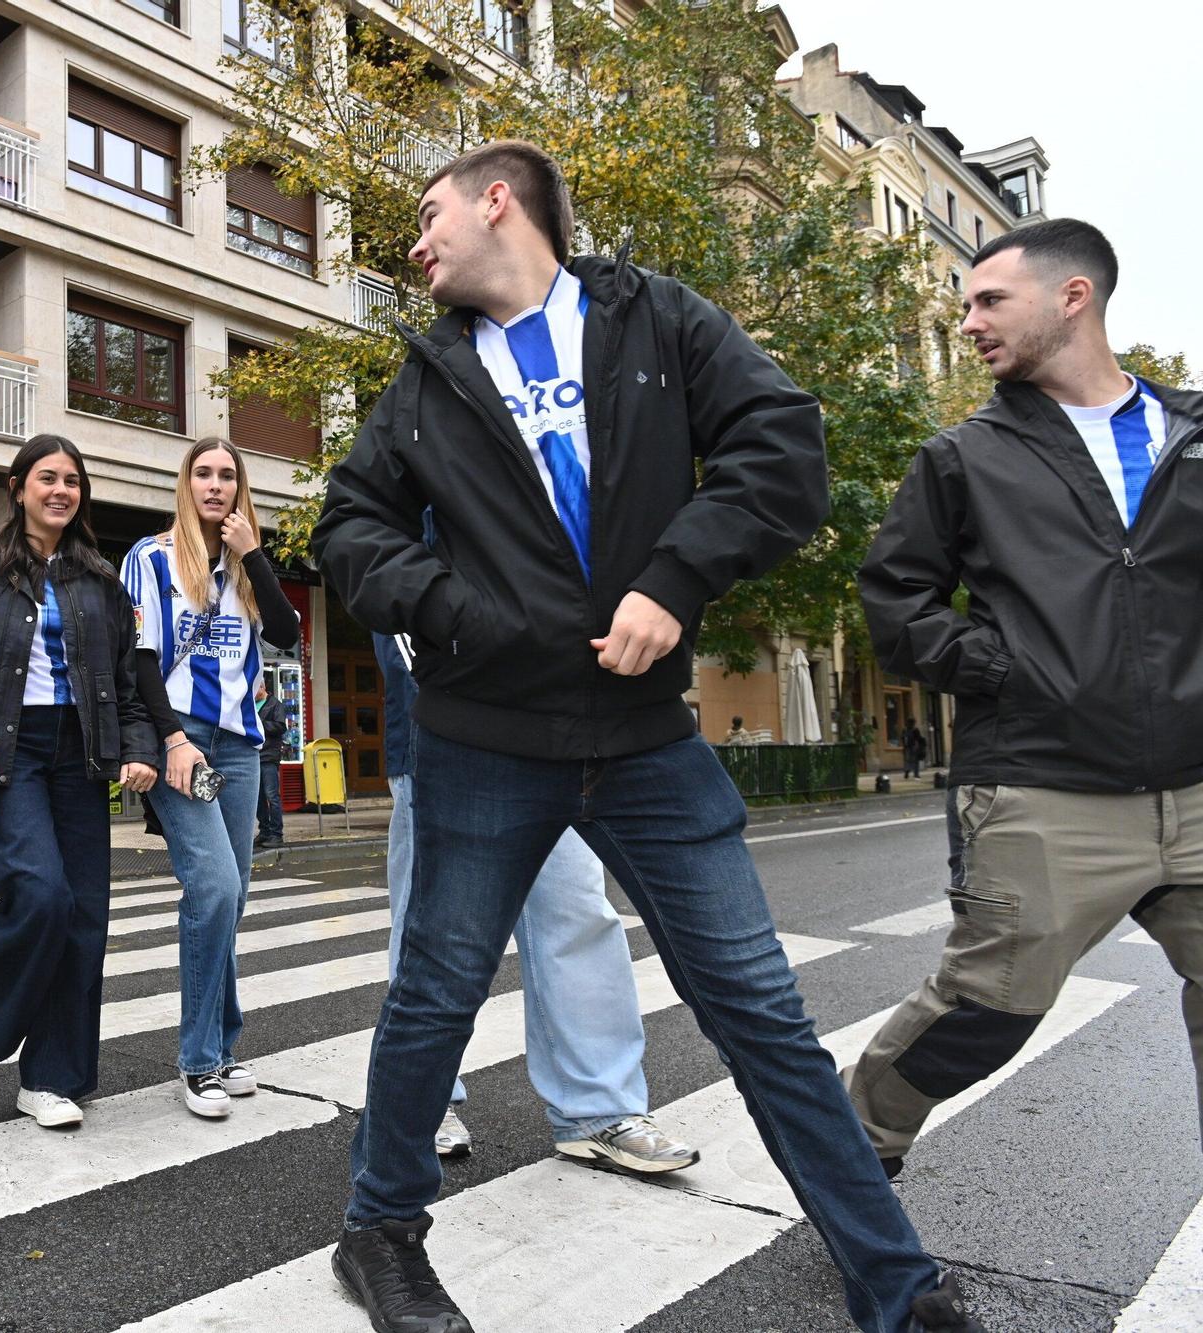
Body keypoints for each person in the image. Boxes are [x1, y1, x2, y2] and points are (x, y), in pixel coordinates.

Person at [312, 141, 974, 1333]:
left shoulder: (653, 318)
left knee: (757, 1006)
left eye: (425, 215)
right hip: (481, 736)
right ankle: (379, 1235)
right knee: (433, 995)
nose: (413, 245)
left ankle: (891, 1274)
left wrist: (673, 579)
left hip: (641, 736)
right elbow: (350, 527)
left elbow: (781, 450)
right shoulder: (423, 375)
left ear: (497, 200)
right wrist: (449, 610)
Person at [849, 218, 1203, 1183]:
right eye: (966, 304)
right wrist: (1010, 671)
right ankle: (858, 1150)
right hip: (1044, 786)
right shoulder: (966, 456)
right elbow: (895, 600)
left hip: (1199, 783)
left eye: (988, 300)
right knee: (985, 1013)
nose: (968, 322)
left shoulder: (1192, 435)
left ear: (1073, 297)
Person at [375, 632, 698, 1171]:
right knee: (434, 932)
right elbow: (394, 602)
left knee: (578, 915)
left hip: (558, 737)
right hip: (446, 734)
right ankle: (421, 1104)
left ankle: (598, 1113)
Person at [0, 434, 158, 1128]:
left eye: (73, 481)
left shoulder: (100, 576)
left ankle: (50, 1079)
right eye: (48, 478)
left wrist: (138, 746)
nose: (61, 490)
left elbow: (127, 676)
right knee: (42, 894)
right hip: (7, 748)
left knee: (84, 919)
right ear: (19, 486)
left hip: (80, 755)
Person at [123, 436, 301, 1118]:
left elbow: (284, 632)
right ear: (186, 482)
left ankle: (223, 1047)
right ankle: (198, 1061)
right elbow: (140, 657)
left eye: (229, 474)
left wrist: (254, 550)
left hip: (241, 744)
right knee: (214, 886)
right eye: (204, 473)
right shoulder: (152, 555)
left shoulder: (243, 560)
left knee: (234, 899)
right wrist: (170, 738)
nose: (216, 484)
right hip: (185, 741)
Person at [254, 678, 286, 850]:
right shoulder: (251, 704)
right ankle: (265, 830)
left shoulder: (275, 704)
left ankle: (276, 834)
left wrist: (260, 723)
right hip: (254, 756)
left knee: (271, 795)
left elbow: (280, 727)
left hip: (269, 756)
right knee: (258, 798)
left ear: (262, 687)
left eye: (255, 689)